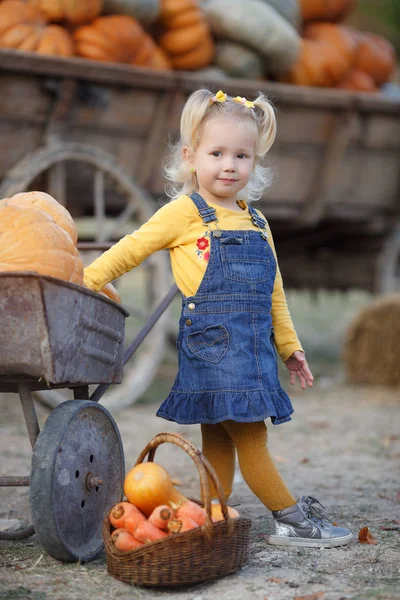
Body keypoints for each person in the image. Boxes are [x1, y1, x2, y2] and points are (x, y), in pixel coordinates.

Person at [83, 89, 353, 548]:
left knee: (220, 439)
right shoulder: (185, 213)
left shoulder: (258, 222)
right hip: (212, 348)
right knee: (251, 439)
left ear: (254, 161)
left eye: (241, 155)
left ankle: (208, 518)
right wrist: (87, 281)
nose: (229, 165)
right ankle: (291, 521)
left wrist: (290, 347)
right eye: (216, 153)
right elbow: (132, 247)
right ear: (191, 158)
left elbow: (275, 293)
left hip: (252, 350)